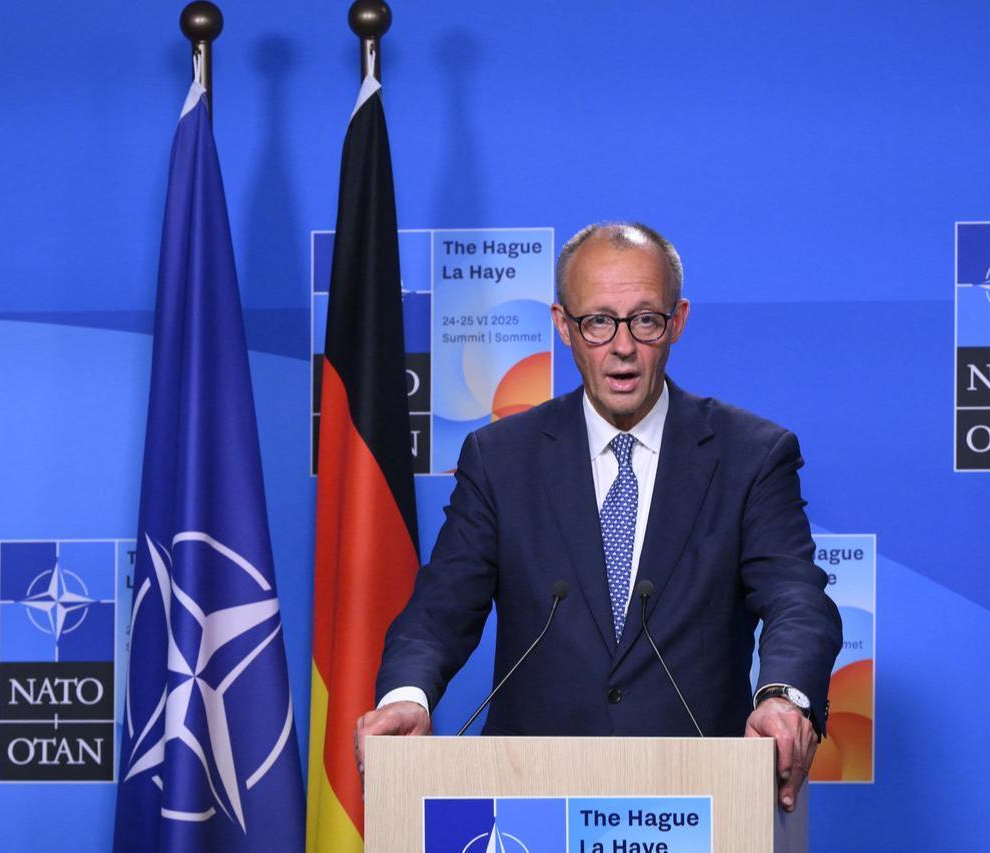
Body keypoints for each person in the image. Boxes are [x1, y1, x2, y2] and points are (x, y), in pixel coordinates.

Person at [356, 222, 841, 812]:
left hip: (698, 802)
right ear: (563, 325)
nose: (622, 346)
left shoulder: (751, 455)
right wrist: (407, 697)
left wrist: (785, 697)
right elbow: (439, 611)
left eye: (645, 320)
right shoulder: (500, 459)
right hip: (529, 803)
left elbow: (796, 598)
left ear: (678, 321)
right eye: (598, 322)